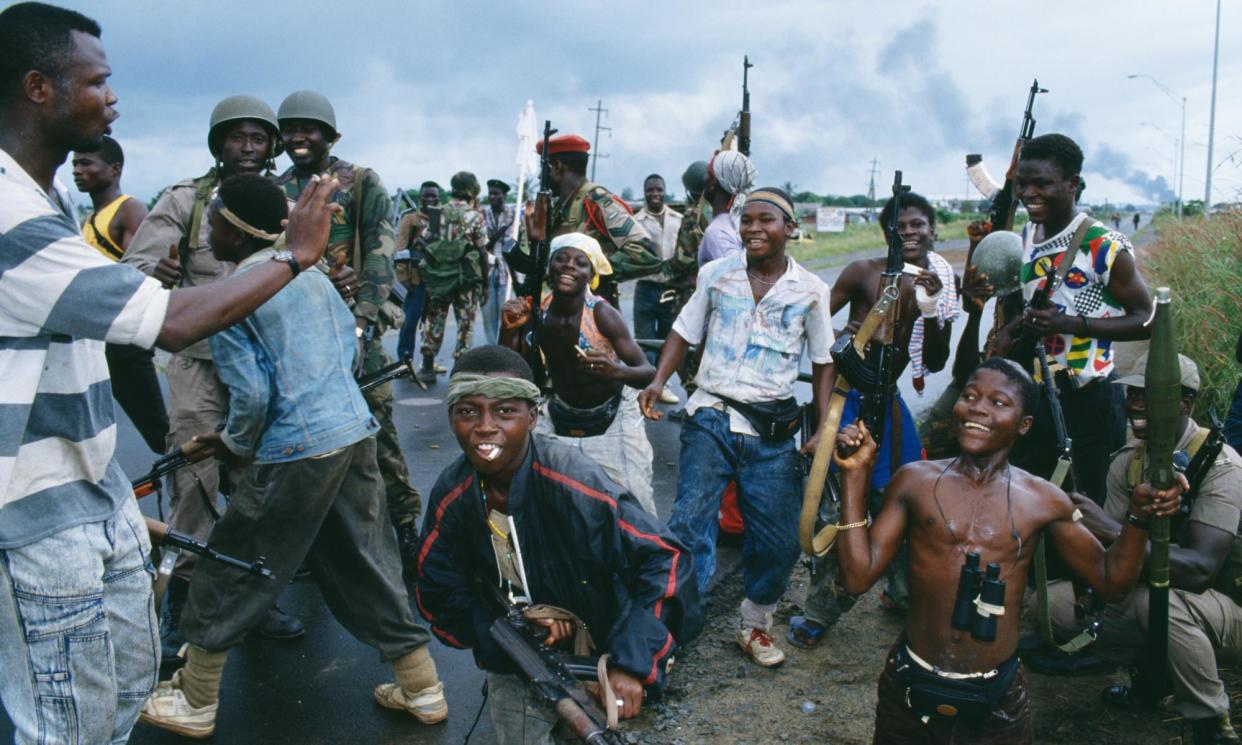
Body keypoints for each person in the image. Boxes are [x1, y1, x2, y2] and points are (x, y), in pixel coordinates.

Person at [0, 6, 339, 741]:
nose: (113, 98)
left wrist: (113, 500)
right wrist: (291, 255)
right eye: (98, 81)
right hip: (44, 505)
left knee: (118, 695)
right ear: (36, 88)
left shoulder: (45, 196)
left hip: (93, 486)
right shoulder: (25, 211)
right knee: (68, 720)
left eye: (261, 137)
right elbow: (157, 312)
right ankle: (199, 599)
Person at [137, 174, 447, 738]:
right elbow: (348, 358)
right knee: (366, 562)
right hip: (352, 434)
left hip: (294, 451)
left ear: (234, 230)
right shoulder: (314, 276)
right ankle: (422, 687)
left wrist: (232, 443)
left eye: (213, 222)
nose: (206, 232)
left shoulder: (235, 293)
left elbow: (253, 399)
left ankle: (197, 700)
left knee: (235, 562)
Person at [832, 358, 1180, 744]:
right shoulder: (914, 481)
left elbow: (1111, 581)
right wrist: (854, 477)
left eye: (999, 402)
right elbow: (856, 576)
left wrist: (1138, 518)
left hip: (996, 696)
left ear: (1024, 424)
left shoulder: (1043, 500)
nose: (978, 408)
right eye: (969, 396)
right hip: (911, 681)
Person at [415, 345, 700, 745]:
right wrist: (509, 628)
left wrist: (632, 663)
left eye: (504, 411)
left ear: (532, 417)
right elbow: (436, 590)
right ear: (451, 418)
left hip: (599, 645)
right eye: (468, 411)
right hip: (513, 658)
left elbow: (666, 560)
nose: (484, 426)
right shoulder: (453, 496)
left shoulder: (575, 483)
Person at [124, 94, 308, 657]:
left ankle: (255, 598)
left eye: (259, 138)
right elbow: (131, 272)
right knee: (195, 483)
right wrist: (157, 272)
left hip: (268, 364)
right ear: (218, 144)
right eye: (237, 138)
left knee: (265, 484)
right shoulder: (185, 200)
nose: (248, 149)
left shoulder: (292, 202)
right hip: (200, 366)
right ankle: (185, 601)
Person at [639, 187, 835, 667]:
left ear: (790, 229)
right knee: (689, 526)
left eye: (765, 220)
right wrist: (658, 378)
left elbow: (824, 360)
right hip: (711, 415)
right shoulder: (716, 274)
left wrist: (821, 427)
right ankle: (670, 630)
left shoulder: (811, 290)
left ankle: (754, 623)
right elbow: (685, 330)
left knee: (778, 539)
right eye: (745, 220)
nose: (752, 229)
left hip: (772, 433)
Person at [789, 191, 959, 648]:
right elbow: (820, 339)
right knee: (835, 509)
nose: (909, 232)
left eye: (918, 224)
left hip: (890, 404)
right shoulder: (863, 274)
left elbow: (937, 362)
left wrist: (931, 308)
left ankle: (903, 592)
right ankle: (820, 609)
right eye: (899, 225)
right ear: (887, 233)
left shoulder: (933, 283)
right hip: (848, 400)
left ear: (932, 230)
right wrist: (826, 421)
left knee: (903, 502)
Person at [1045, 353, 1242, 744]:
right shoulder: (1129, 462)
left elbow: (1202, 568)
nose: (1135, 402)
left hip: (1226, 602)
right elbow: (1117, 561)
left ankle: (1209, 721)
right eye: (1132, 393)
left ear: (1186, 404)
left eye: (1149, 395)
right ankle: (1152, 678)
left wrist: (1115, 529)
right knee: (1054, 608)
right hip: (1161, 595)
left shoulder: (1222, 466)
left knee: (1157, 605)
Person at [275, 89, 425, 573]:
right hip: (296, 332)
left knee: (377, 431)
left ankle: (405, 530)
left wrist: (363, 322)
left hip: (350, 325)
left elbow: (380, 251)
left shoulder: (358, 181)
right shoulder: (275, 186)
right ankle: (312, 543)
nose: (298, 136)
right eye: (290, 128)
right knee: (302, 440)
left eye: (309, 128)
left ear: (330, 136)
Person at [990, 133, 1153, 506]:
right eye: (1023, 184)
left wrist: (1075, 325)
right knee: (1030, 496)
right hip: (1036, 393)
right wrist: (1011, 332)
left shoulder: (1103, 245)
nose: (1029, 193)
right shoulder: (1029, 233)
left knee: (1085, 505)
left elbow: (1147, 320)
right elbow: (1035, 308)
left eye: (1042, 183)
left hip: (1089, 398)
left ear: (1072, 184)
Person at [499, 233, 658, 515]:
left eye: (580, 262)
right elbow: (511, 370)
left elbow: (647, 372)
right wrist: (511, 329)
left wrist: (614, 371)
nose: (569, 266)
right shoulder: (540, 312)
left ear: (591, 275)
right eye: (561, 259)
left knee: (635, 504)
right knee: (544, 498)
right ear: (549, 269)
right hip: (561, 412)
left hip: (613, 417)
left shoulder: (602, 314)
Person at [71, 134, 170, 453]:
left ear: (114, 169)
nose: (76, 170)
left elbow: (141, 271)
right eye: (74, 163)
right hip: (96, 336)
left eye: (86, 163)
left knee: (162, 434)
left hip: (123, 338)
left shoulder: (128, 210)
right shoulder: (88, 219)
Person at [537, 133, 660, 308]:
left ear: (557, 167)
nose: (539, 177)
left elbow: (646, 254)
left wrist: (593, 269)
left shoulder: (596, 201)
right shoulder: (561, 207)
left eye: (544, 169)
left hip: (595, 314)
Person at [417, 170, 488, 383]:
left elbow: (424, 240)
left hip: (439, 277)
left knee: (434, 319)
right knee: (465, 322)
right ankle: (460, 369)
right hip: (466, 279)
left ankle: (427, 367)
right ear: (472, 190)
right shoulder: (475, 216)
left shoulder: (437, 212)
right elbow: (482, 251)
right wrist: (484, 284)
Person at [632, 173, 683, 405]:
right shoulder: (635, 221)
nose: (655, 194)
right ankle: (646, 383)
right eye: (650, 190)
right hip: (645, 286)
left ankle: (663, 385)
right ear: (644, 193)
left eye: (658, 190)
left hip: (670, 288)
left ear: (665, 191)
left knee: (667, 337)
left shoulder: (677, 219)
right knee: (645, 339)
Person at [394, 180, 441, 363]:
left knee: (433, 323)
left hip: (437, 280)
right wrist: (404, 278)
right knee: (410, 322)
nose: (430, 199)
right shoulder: (411, 220)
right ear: (420, 197)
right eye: (426, 195)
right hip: (415, 279)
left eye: (434, 196)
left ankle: (428, 362)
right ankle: (405, 359)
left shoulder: (441, 219)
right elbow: (400, 250)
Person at [697, 150, 756, 265]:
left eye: (708, 174)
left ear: (713, 183)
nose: (704, 180)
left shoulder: (717, 232)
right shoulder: (745, 222)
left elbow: (737, 276)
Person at [479, 178, 516, 345]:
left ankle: (505, 348)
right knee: (488, 316)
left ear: (504, 195)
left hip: (506, 272)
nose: (493, 197)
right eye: (490, 193)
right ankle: (492, 348)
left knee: (506, 314)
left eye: (497, 193)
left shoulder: (513, 214)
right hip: (486, 272)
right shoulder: (482, 214)